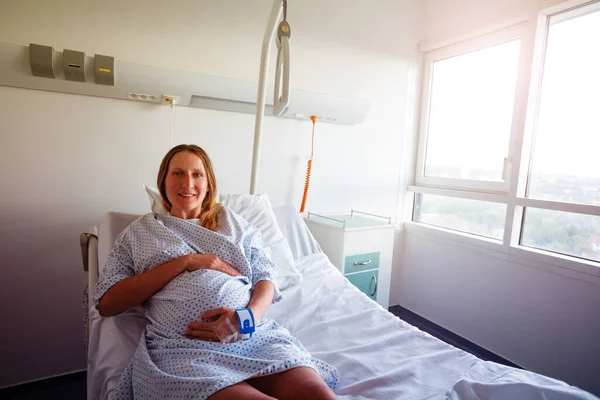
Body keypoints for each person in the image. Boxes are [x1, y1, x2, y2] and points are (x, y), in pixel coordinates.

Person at [94, 144, 339, 400]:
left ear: (208, 183)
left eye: (196, 174)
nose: (187, 183)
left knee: (320, 396)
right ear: (163, 182)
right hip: (184, 352)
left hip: (251, 337)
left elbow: (267, 276)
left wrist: (246, 320)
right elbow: (107, 303)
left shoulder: (231, 223)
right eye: (177, 173)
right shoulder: (139, 232)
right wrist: (186, 262)